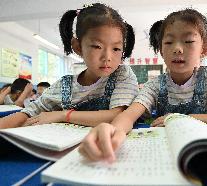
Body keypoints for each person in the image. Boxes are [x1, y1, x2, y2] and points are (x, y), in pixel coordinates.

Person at [79, 8, 207, 162]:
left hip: (205, 149)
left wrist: (185, 118)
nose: (177, 48)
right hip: (166, 152)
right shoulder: (156, 85)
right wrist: (112, 130)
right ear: (161, 50)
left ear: (204, 50)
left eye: (188, 41)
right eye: (169, 42)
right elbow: (129, 115)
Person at [0, 3, 138, 129]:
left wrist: (63, 115)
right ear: (78, 47)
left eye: (116, 49)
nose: (107, 57)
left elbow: (118, 115)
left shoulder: (122, 74)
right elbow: (28, 112)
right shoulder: (64, 86)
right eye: (97, 46)